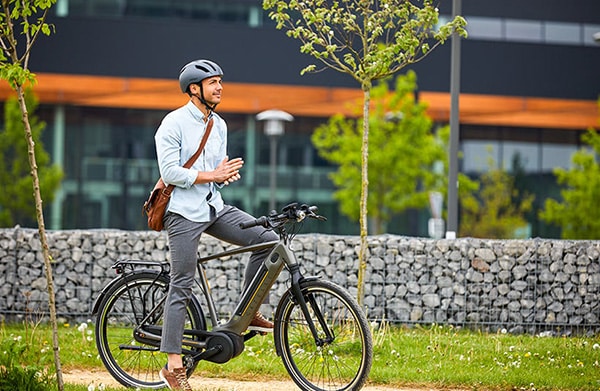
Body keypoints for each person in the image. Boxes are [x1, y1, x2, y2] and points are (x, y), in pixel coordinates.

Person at [155, 58, 278, 390]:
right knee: (182, 284)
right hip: (181, 213)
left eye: (220, 81)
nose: (220, 87)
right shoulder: (173, 123)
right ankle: (173, 366)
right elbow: (170, 173)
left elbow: (213, 176)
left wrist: (224, 177)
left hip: (212, 208)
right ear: (195, 89)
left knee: (268, 241)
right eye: (213, 83)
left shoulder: (219, 125)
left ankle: (249, 311)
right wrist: (212, 174)